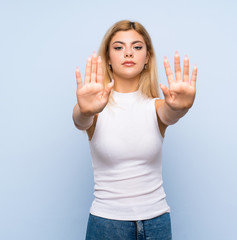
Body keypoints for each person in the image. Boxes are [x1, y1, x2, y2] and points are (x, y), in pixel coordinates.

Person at [73, 20, 197, 240]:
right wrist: (85, 111)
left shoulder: (157, 107)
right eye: (119, 47)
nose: (128, 53)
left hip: (157, 223)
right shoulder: (94, 106)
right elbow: (81, 120)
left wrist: (180, 107)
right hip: (106, 225)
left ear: (147, 57)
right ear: (108, 58)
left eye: (137, 47)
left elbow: (171, 114)